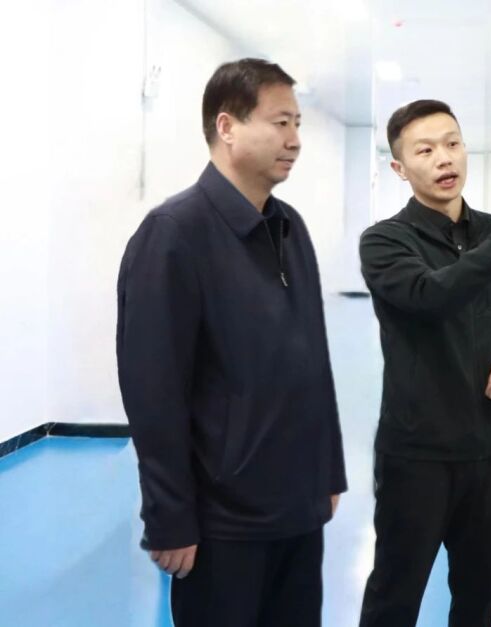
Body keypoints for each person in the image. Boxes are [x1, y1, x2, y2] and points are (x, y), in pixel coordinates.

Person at [116, 58, 347, 627]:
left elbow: (313, 362)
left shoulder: (290, 227)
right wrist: (169, 518)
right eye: (280, 123)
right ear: (227, 127)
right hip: (225, 525)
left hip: (298, 511)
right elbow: (153, 392)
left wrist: (328, 471)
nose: (295, 140)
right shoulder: (174, 235)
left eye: (297, 124)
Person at [357, 99, 491, 627]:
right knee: (395, 597)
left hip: (489, 450)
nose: (444, 158)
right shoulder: (384, 242)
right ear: (400, 168)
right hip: (416, 455)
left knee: (479, 596)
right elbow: (432, 295)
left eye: (452, 143)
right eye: (425, 150)